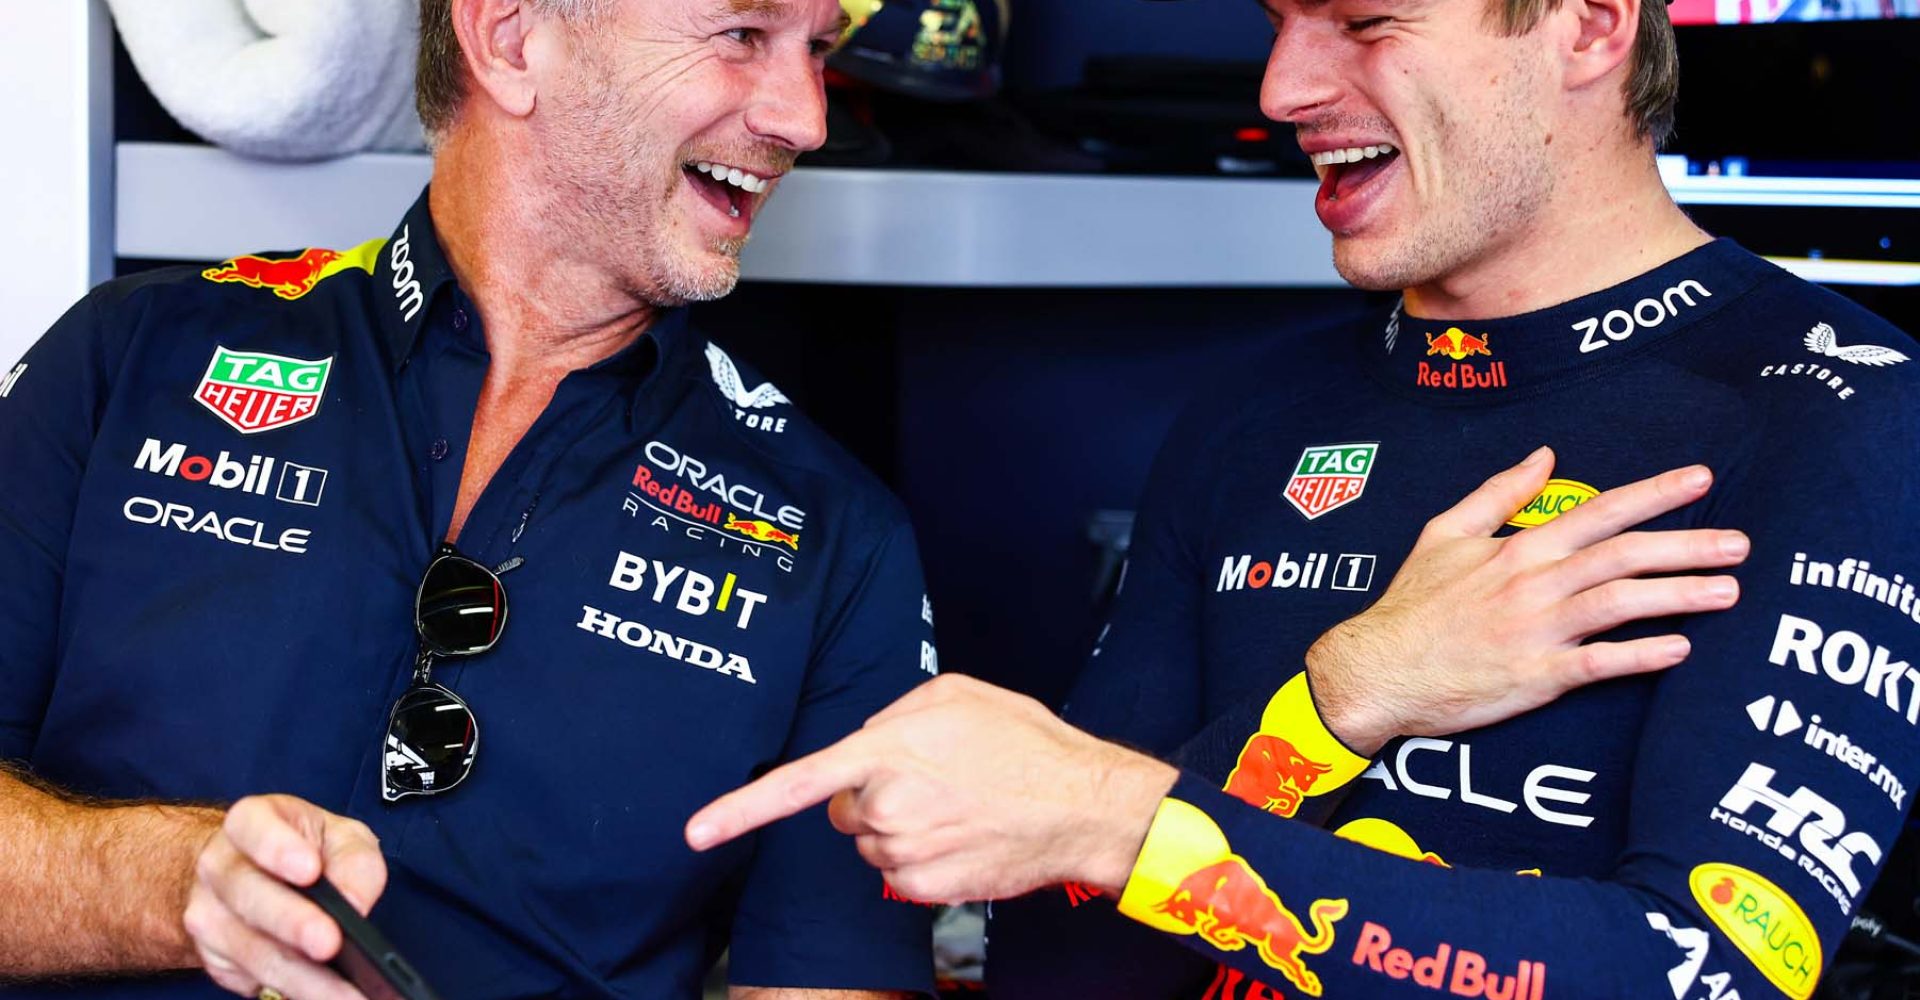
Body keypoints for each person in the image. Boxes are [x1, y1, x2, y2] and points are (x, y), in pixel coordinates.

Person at [684, 0, 1920, 993]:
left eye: (1363, 23)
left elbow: (1717, 968)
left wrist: (1123, 823)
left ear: (1590, 26)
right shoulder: (1257, 413)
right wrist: (1341, 699)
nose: (1280, 89)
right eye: (1280, 21)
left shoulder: (1838, 409)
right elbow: (1063, 954)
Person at [0, 0, 943, 997]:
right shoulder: (130, 359)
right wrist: (174, 884)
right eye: (742, 35)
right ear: (508, 37)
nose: (805, 118)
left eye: (818, 50)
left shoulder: (838, 537)